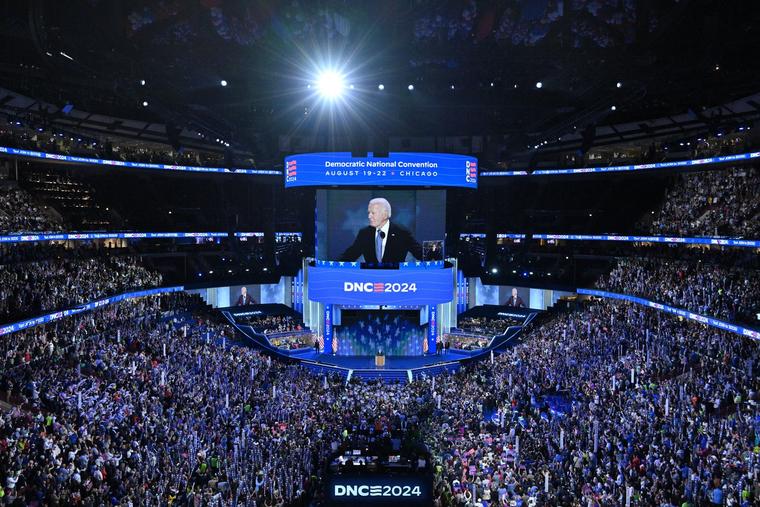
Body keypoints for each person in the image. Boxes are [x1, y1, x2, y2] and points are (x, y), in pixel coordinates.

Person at [339, 197, 423, 263]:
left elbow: (420, 254)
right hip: (371, 279)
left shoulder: (401, 233)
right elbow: (350, 255)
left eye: (373, 213)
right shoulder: (365, 233)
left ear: (385, 214)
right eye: (368, 213)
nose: (369, 216)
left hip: (395, 280)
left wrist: (433, 252)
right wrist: (330, 267)